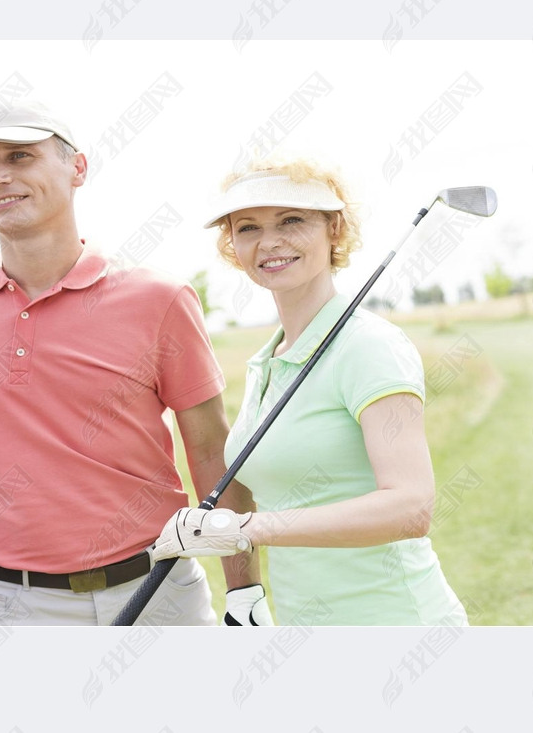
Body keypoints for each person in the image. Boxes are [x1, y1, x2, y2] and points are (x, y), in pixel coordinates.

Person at [0, 103, 272, 627]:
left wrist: (245, 591)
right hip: (7, 605)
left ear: (78, 169)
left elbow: (210, 450)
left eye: (20, 156)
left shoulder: (159, 299)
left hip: (156, 592)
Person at [149, 159, 470, 626]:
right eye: (248, 227)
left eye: (291, 221)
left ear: (333, 228)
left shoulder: (368, 346)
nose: (269, 242)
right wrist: (246, 593)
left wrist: (244, 530)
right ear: (232, 245)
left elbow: (410, 507)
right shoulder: (269, 360)